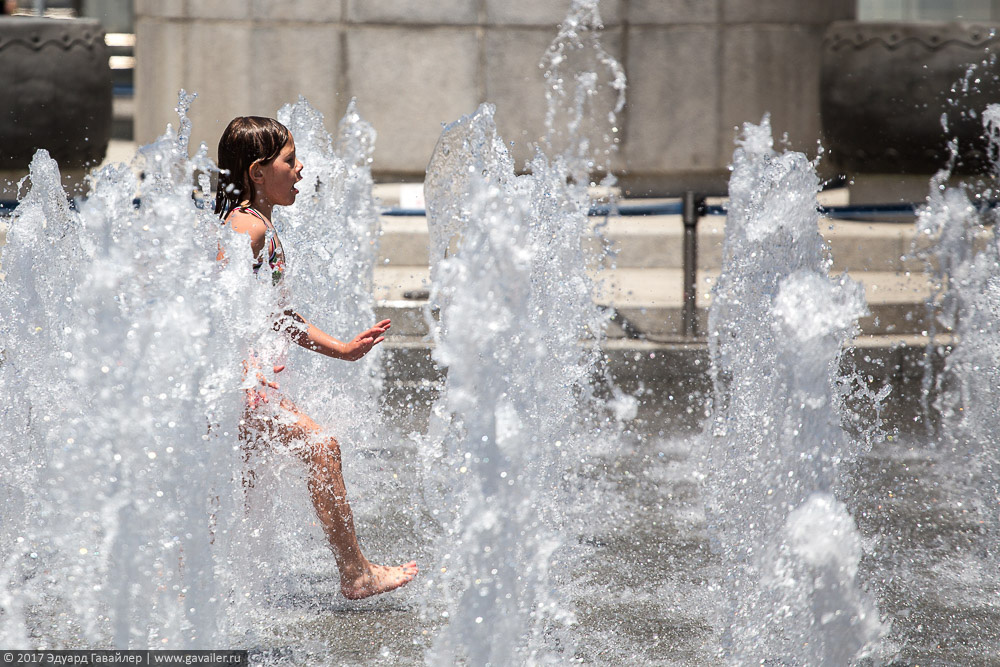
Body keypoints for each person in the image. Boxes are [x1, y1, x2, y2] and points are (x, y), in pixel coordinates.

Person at [215, 116, 417, 600]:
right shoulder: (246, 229)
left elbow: (277, 314)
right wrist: (240, 372)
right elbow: (214, 305)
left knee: (231, 490)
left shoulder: (260, 225)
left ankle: (190, 585)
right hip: (231, 385)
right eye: (289, 160)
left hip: (235, 383)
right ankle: (356, 572)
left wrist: (343, 349)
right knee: (320, 446)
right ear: (258, 172)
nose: (300, 168)